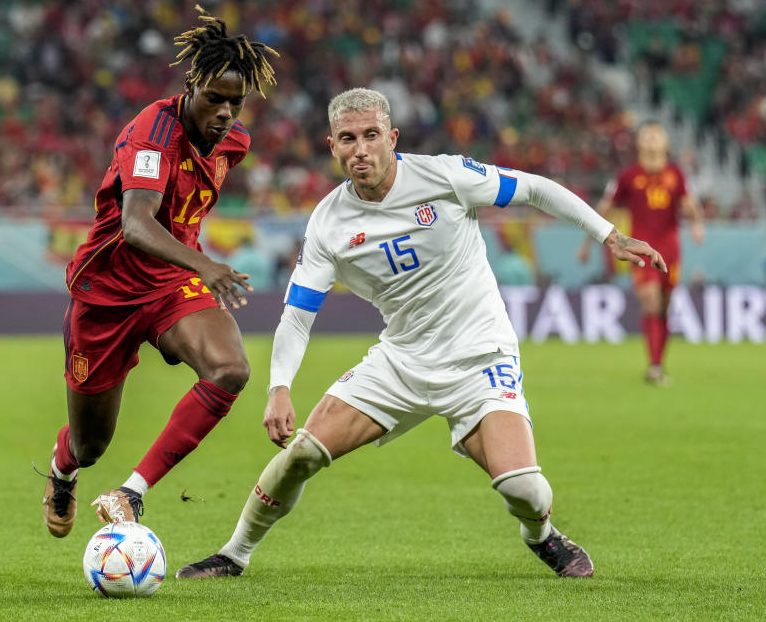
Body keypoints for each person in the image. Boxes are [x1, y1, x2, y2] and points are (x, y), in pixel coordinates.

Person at [176, 88, 665, 580]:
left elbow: (535, 188)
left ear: (392, 138)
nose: (360, 149)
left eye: (371, 136)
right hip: (402, 360)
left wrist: (610, 236)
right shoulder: (328, 222)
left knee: (526, 491)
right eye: (348, 139)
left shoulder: (445, 176)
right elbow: (298, 315)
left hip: (480, 356)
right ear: (332, 146)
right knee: (301, 454)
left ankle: (541, 536)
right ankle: (234, 554)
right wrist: (278, 387)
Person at [39, 7, 279, 538]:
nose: (225, 112)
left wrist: (193, 267)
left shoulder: (232, 144)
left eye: (235, 103)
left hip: (170, 284)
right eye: (215, 97)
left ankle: (131, 493)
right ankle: (63, 469)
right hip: (107, 293)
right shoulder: (153, 132)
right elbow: (137, 225)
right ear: (192, 84)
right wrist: (207, 264)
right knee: (90, 445)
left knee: (230, 369)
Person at [578, 121, 704, 384]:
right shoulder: (628, 176)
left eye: (656, 136)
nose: (651, 140)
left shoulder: (676, 175)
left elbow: (689, 203)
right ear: (639, 143)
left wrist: (696, 224)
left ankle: (658, 361)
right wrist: (588, 242)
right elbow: (605, 208)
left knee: (664, 308)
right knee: (651, 301)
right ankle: (655, 368)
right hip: (641, 250)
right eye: (647, 136)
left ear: (666, 144)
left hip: (671, 251)